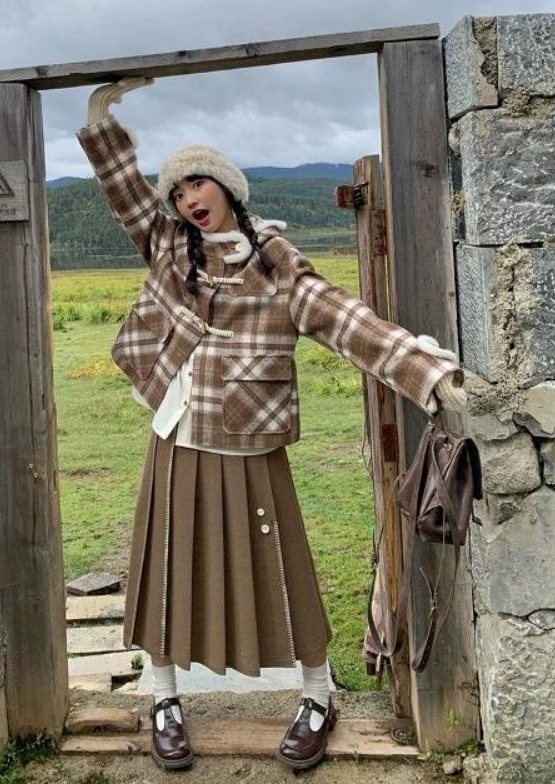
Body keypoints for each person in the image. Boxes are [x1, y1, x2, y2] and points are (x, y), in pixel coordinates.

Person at [76, 77, 466, 772]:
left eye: (198, 183)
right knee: (166, 566)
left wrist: (423, 370)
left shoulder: (276, 262)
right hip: (174, 435)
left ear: (227, 186)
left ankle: (317, 697)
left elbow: (340, 316)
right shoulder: (167, 246)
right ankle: (164, 700)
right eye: (177, 192)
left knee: (281, 570)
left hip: (249, 436)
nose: (188, 200)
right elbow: (124, 193)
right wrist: (99, 115)